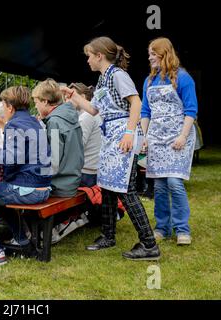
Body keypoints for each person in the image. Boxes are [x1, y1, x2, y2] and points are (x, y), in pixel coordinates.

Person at [61, 36, 160, 261]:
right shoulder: (104, 79)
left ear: (99, 56)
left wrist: (129, 132)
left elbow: (136, 102)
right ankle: (108, 235)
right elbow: (94, 110)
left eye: (89, 56)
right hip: (110, 136)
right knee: (106, 187)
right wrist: (75, 97)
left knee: (126, 190)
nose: (87, 60)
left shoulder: (117, 75)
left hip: (121, 134)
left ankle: (149, 244)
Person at [0, 86, 52, 265]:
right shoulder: (33, 121)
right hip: (44, 186)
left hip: (30, 189)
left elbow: (10, 159)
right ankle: (21, 239)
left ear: (9, 107)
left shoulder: (15, 124)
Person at [140, 37, 198, 246]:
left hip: (178, 138)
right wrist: (144, 137)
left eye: (152, 53)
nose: (150, 57)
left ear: (163, 53)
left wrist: (183, 136)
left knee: (174, 182)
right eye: (149, 54)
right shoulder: (149, 81)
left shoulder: (183, 78)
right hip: (157, 138)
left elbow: (191, 110)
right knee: (160, 185)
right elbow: (145, 111)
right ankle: (162, 227)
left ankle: (182, 228)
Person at [32, 78, 84, 197]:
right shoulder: (69, 115)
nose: (35, 107)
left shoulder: (55, 122)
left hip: (59, 186)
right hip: (72, 181)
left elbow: (54, 163)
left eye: (36, 103)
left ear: (45, 101)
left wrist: (34, 171)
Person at [69, 83, 102, 187]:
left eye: (70, 97)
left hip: (86, 173)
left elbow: (78, 147)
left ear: (82, 97)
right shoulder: (95, 114)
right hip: (94, 171)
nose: (66, 101)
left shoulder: (86, 117)